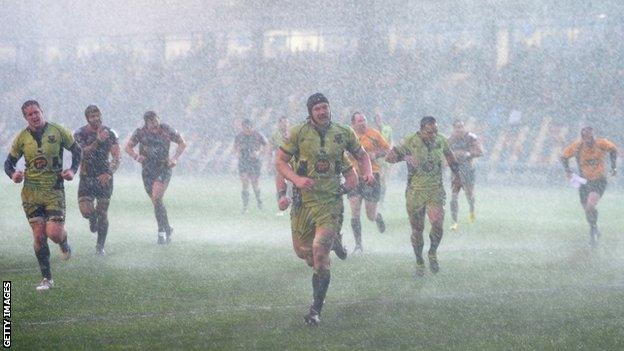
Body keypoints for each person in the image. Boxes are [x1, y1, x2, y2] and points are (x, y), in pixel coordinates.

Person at [275, 93, 374, 326]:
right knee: (304, 253)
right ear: (310, 112)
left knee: (320, 254)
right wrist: (296, 181)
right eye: (317, 108)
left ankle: (315, 309)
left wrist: (366, 173)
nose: (322, 111)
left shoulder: (343, 132)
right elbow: (279, 162)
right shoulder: (298, 132)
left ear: (330, 108)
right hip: (303, 202)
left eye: (325, 107)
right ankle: (335, 242)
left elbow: (361, 156)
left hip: (330, 201)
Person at [4, 100, 81, 291]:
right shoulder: (21, 138)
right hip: (31, 192)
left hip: (54, 190)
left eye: (36, 112)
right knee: (39, 236)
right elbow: (8, 163)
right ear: (25, 117)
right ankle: (47, 278)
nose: (34, 116)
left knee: (53, 233)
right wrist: (14, 174)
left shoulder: (58, 130)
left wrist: (72, 170)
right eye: (30, 114)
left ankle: (63, 242)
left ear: (42, 111)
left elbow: (77, 150)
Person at [386, 116, 461, 277]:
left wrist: (457, 176)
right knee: (417, 230)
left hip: (435, 190)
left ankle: (432, 252)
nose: (433, 134)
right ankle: (419, 261)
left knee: (437, 224)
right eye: (429, 132)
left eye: (436, 131)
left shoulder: (441, 140)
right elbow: (389, 157)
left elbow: (451, 158)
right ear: (421, 130)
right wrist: (405, 157)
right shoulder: (410, 141)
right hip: (415, 192)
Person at [125, 111, 186, 244]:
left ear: (159, 119)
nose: (154, 123)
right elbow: (128, 147)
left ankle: (161, 232)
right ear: (146, 123)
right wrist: (136, 156)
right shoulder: (140, 133)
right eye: (150, 121)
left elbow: (182, 143)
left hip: (163, 167)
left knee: (157, 196)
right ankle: (167, 227)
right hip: (147, 169)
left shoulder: (167, 130)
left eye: (155, 120)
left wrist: (174, 158)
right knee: (156, 202)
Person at [73, 105, 121, 255]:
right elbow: (82, 154)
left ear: (101, 115)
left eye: (97, 115)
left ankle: (100, 247)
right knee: (86, 211)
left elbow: (117, 157)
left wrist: (109, 172)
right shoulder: (80, 133)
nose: (96, 118)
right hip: (87, 176)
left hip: (103, 177)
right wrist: (98, 141)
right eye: (92, 116)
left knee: (103, 213)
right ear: (87, 118)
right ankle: (91, 218)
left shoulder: (111, 133)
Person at [561, 126, 617, 247]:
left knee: (590, 206)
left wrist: (614, 167)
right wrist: (568, 170)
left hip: (598, 180)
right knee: (587, 209)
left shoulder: (601, 143)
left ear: (593, 136)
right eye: (585, 138)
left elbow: (613, 150)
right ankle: (594, 229)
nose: (588, 140)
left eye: (590, 137)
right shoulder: (577, 146)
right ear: (582, 138)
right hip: (584, 182)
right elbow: (564, 156)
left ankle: (593, 230)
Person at [348, 112, 391, 254]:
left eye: (364, 120)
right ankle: (358, 245)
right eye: (359, 121)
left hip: (372, 175)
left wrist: (375, 154)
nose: (362, 123)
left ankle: (377, 217)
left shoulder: (374, 134)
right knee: (354, 209)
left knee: (369, 215)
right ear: (353, 124)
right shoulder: (348, 135)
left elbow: (387, 149)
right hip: (353, 176)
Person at [448, 119, 483, 230]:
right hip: (456, 172)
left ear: (464, 127)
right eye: (457, 127)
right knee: (454, 196)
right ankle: (454, 222)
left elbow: (480, 152)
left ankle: (471, 210)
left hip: (468, 170)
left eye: (461, 127)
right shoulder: (450, 140)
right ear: (453, 129)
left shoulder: (471, 137)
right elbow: (445, 155)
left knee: (469, 194)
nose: (459, 129)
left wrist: (466, 154)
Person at [234, 118, 267, 213]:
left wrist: (259, 152)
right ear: (242, 127)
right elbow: (235, 148)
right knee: (245, 183)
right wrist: (237, 152)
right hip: (243, 161)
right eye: (245, 127)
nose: (247, 129)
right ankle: (245, 206)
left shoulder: (258, 135)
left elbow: (266, 145)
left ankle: (259, 201)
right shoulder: (239, 136)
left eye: (249, 127)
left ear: (251, 127)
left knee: (255, 183)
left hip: (254, 162)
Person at [374, 112, 394, 206]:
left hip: (384, 159)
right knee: (376, 179)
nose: (378, 120)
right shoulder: (371, 130)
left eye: (380, 118)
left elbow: (390, 143)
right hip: (374, 160)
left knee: (382, 179)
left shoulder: (388, 129)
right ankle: (376, 199)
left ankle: (381, 200)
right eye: (376, 118)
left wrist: (388, 152)